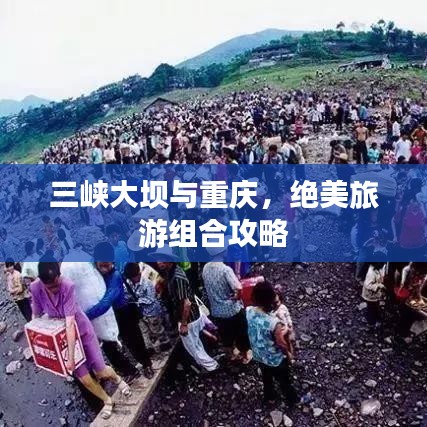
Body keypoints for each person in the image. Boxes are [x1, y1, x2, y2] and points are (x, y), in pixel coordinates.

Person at [30, 262, 131, 420]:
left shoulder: (67, 286)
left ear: (59, 276)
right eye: (50, 288)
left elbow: (70, 323)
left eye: (56, 285)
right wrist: (37, 343)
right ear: (41, 281)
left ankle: (118, 379)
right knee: (85, 379)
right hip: (62, 338)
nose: (54, 290)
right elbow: (35, 316)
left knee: (101, 371)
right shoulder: (35, 288)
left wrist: (70, 358)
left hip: (81, 331)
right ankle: (107, 400)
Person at [87, 243, 154, 379]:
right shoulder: (92, 272)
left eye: (108, 265)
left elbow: (106, 302)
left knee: (134, 340)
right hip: (104, 316)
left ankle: (147, 364)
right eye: (102, 266)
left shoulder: (115, 276)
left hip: (121, 311)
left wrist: (85, 316)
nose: (105, 269)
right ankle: (129, 371)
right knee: (109, 347)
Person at [153, 249, 219, 372]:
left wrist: (184, 324)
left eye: (161, 259)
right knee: (196, 343)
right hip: (189, 315)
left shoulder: (177, 277)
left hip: (189, 318)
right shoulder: (170, 273)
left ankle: (211, 366)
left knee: (193, 347)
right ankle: (208, 362)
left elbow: (186, 303)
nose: (158, 262)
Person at [246, 281, 298, 404]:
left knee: (266, 378)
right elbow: (281, 344)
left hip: (259, 354)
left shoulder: (249, 311)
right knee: (284, 380)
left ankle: (269, 397)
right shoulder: (274, 323)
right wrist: (289, 354)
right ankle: (292, 400)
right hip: (274, 359)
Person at [202, 248, 251, 364]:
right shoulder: (225, 270)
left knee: (225, 336)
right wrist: (237, 297)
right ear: (223, 252)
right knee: (241, 334)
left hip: (216, 311)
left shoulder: (205, 268)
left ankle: (231, 355)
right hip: (232, 310)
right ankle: (245, 356)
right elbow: (238, 288)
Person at [123, 262, 172, 352]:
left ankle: (165, 343)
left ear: (139, 274)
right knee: (147, 331)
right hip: (141, 312)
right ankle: (154, 347)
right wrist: (128, 298)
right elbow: (126, 293)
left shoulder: (147, 283)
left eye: (133, 278)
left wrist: (137, 301)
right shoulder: (129, 282)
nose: (132, 280)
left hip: (152, 311)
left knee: (157, 329)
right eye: (130, 279)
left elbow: (150, 298)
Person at [362, 262, 386, 327]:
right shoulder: (371, 273)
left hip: (375, 294)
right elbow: (367, 285)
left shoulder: (378, 269)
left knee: (375, 305)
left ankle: (375, 316)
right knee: (371, 308)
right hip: (370, 295)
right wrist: (378, 286)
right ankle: (371, 322)